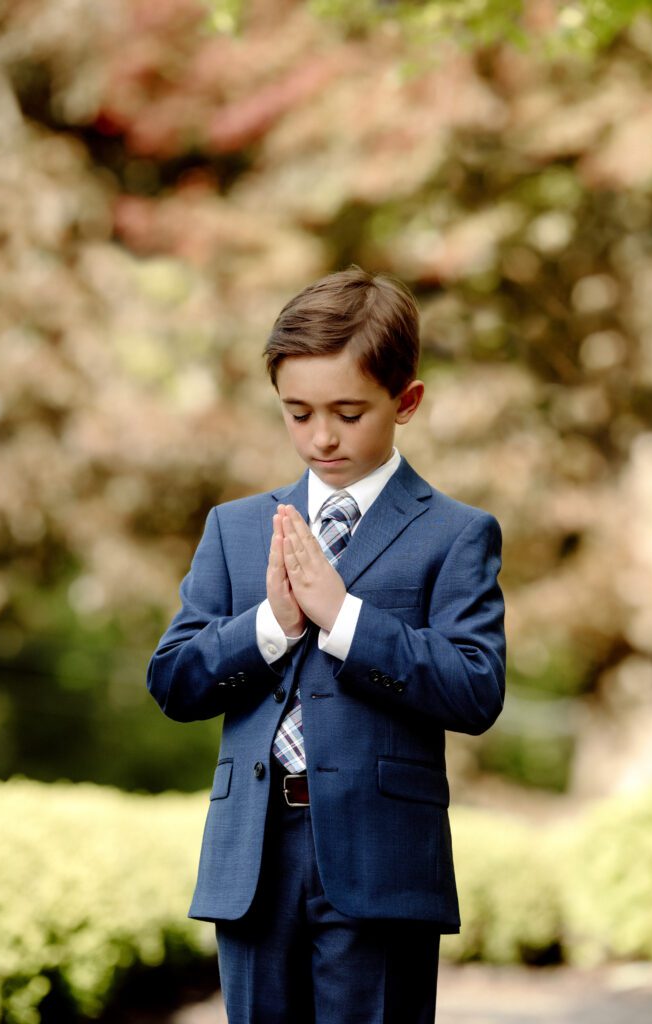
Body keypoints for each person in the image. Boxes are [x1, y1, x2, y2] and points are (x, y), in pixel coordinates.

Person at [146, 265, 506, 1024]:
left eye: (348, 411)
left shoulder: (456, 533)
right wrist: (269, 626)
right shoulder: (236, 529)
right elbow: (174, 681)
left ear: (406, 401)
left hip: (383, 864)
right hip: (254, 858)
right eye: (297, 412)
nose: (322, 436)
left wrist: (345, 618)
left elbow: (476, 690)